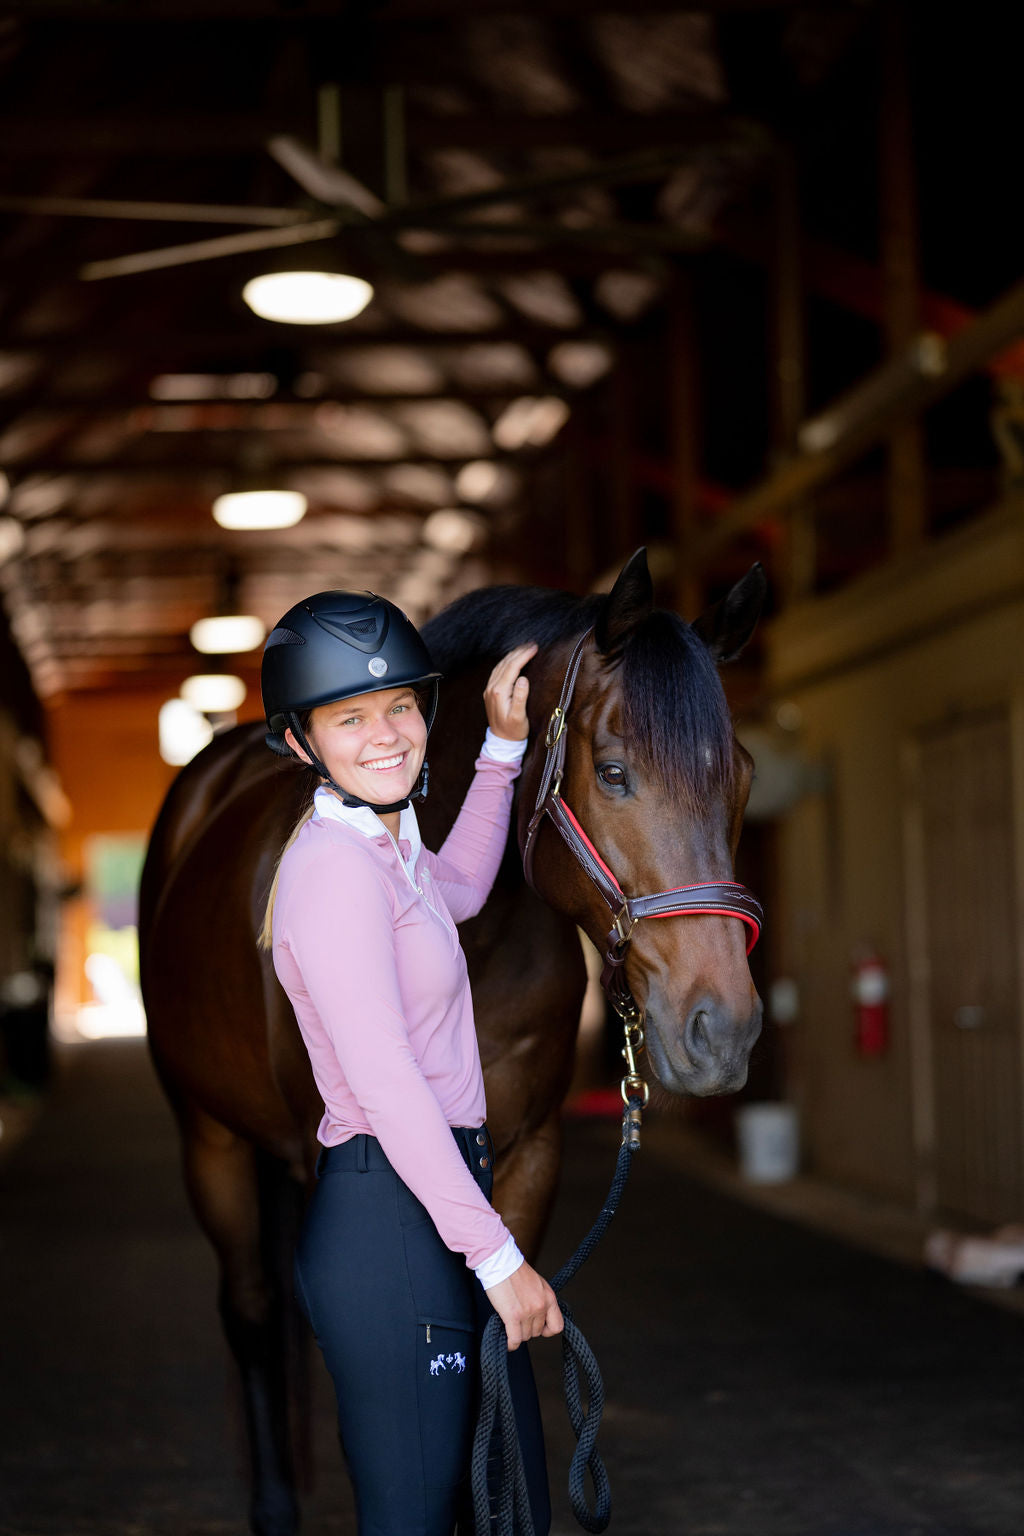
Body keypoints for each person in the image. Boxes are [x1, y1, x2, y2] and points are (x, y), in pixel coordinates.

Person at [258, 587, 562, 1536]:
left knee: (500, 1501)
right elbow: (388, 1087)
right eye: (350, 717)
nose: (386, 734)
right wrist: (501, 1255)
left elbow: (461, 890)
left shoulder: (387, 845)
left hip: (437, 1203)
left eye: (400, 707)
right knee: (415, 1516)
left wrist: (502, 750)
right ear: (303, 743)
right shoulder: (331, 870)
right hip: (386, 1219)